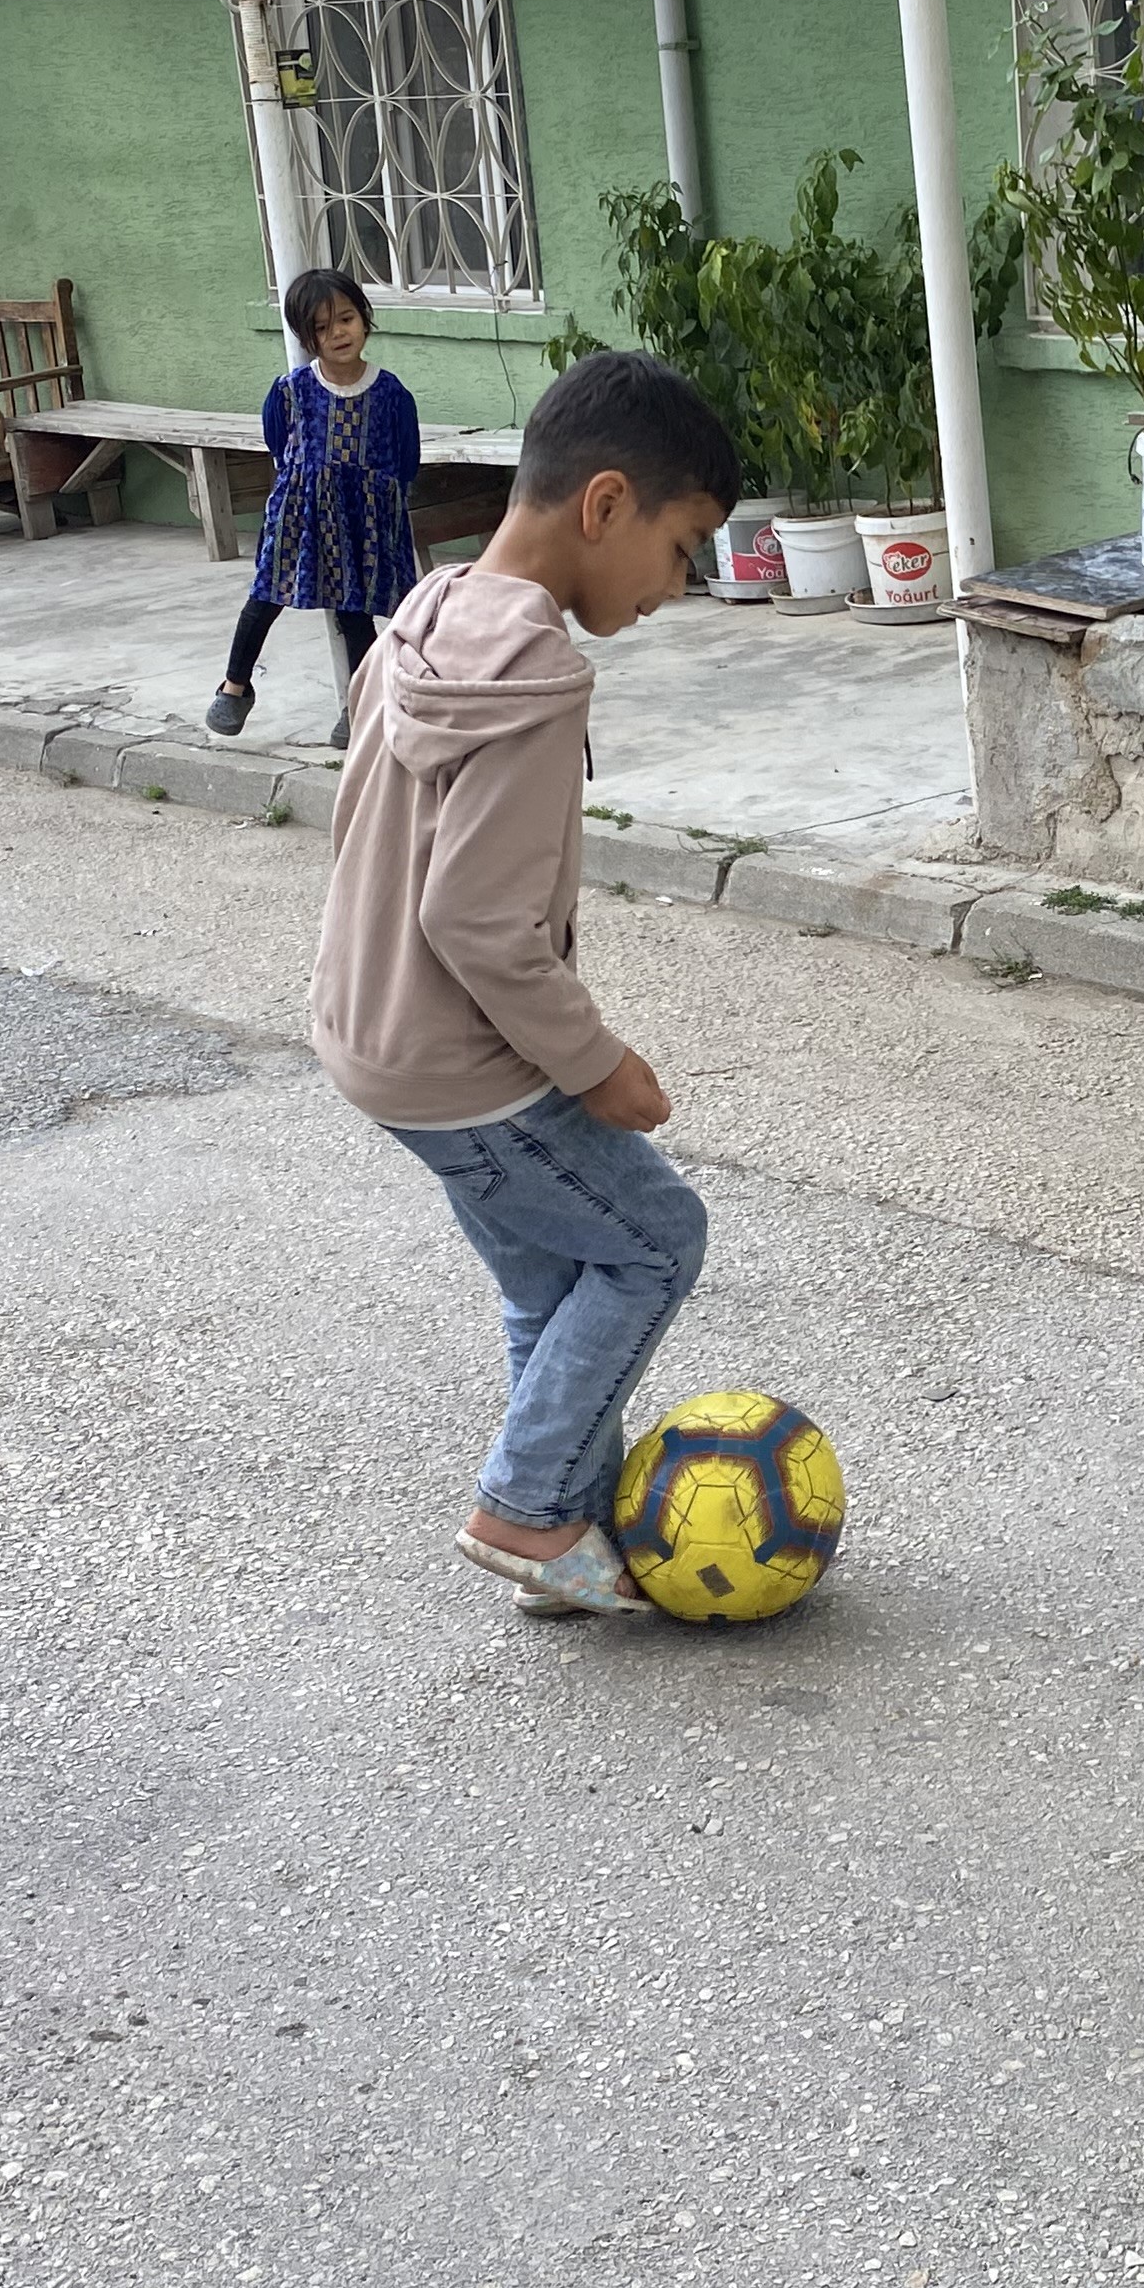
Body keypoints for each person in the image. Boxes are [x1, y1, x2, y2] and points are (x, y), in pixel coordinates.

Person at [310, 350, 746, 1617]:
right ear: (605, 506)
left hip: (373, 1033)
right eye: (683, 546)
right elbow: (479, 921)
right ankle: (522, 1509)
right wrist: (597, 1064)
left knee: (555, 1277)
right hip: (465, 1062)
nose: (680, 585)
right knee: (659, 1242)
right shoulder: (536, 680)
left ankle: (557, 1540)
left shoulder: (426, 616)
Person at [207, 267, 421, 751]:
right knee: (264, 599)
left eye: (345, 319)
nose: (337, 333)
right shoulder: (290, 391)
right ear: (306, 338)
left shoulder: (391, 395)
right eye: (321, 328)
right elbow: (279, 448)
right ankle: (235, 687)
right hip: (299, 520)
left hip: (361, 522)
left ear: (364, 319)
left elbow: (406, 461)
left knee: (355, 612)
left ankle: (362, 707)